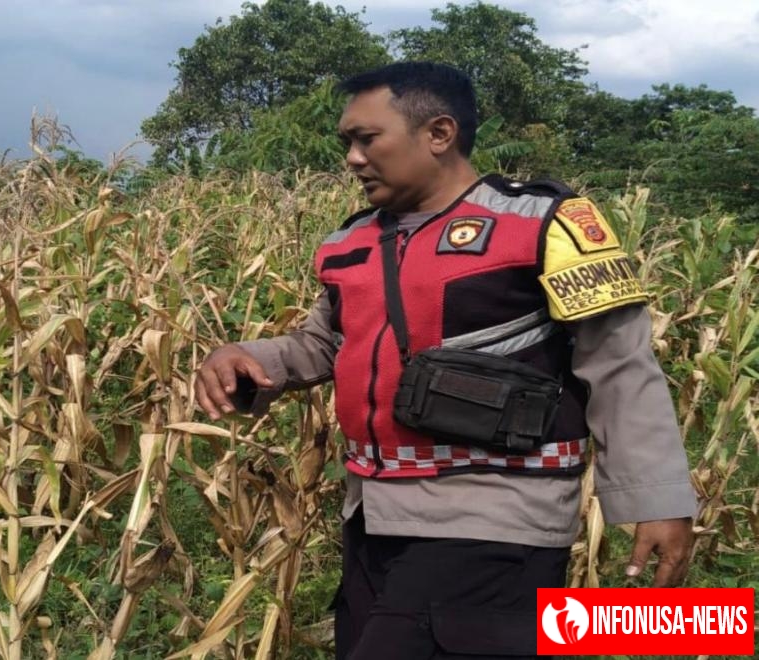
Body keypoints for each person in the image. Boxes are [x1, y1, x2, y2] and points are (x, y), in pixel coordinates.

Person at [195, 62, 696, 659]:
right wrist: (243, 357)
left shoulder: (546, 224)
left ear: (439, 133)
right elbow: (324, 343)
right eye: (346, 143)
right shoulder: (349, 242)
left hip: (496, 517)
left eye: (367, 139)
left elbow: (620, 365)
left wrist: (658, 501)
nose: (352, 158)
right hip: (372, 518)